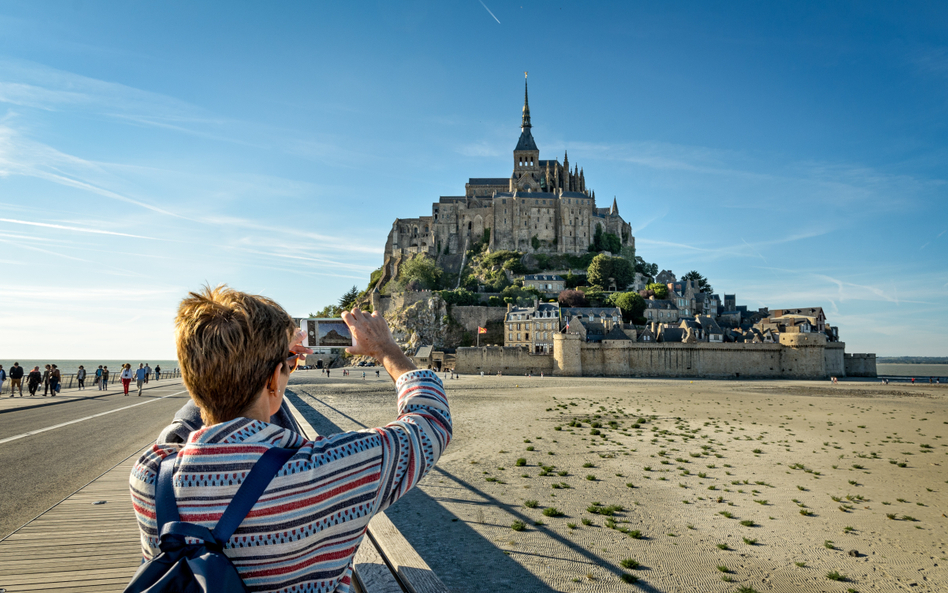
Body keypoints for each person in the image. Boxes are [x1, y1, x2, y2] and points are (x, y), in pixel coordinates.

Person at [132, 286, 450, 592]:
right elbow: (430, 422)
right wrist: (386, 349)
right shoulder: (329, 469)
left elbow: (208, 397)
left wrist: (271, 363)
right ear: (274, 380)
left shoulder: (150, 474)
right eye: (289, 367)